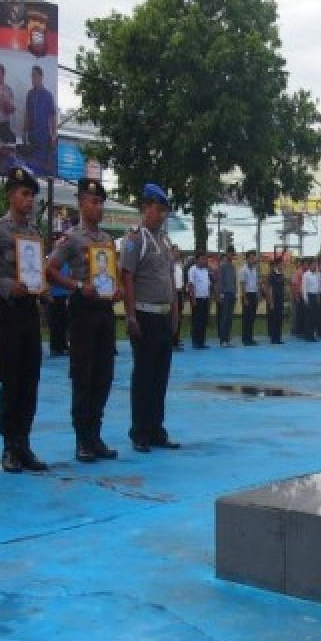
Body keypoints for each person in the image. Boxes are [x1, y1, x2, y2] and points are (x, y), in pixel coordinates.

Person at [0, 166, 48, 473]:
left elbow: (38, 268)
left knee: (30, 378)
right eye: (24, 194)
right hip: (8, 310)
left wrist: (40, 288)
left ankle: (24, 443)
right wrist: (4, 286)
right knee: (11, 379)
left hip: (30, 310)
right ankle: (9, 446)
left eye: (32, 195)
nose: (29, 200)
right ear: (10, 195)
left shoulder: (34, 234)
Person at [45, 178, 121, 462]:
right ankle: (82, 439)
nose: (98, 207)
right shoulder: (71, 238)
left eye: (101, 202)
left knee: (104, 375)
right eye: (93, 202)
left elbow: (111, 275)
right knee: (83, 375)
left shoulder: (106, 240)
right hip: (82, 310)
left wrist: (118, 291)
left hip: (104, 310)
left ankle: (95, 434)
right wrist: (77, 286)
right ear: (81, 203)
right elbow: (49, 269)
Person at [121, 183, 181, 453]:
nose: (162, 215)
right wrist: (130, 314)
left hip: (163, 315)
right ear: (146, 208)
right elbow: (127, 277)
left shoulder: (164, 242)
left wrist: (176, 312)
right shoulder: (136, 240)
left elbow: (170, 279)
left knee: (160, 376)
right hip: (144, 314)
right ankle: (140, 431)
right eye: (158, 210)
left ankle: (157, 428)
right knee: (144, 376)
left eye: (165, 211)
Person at [23, 65, 56, 171]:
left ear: (41, 77)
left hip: (43, 137)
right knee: (30, 165)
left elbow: (52, 117)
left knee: (42, 166)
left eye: (35, 75)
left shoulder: (48, 96)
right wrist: (24, 130)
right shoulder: (30, 94)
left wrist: (54, 135)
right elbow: (27, 113)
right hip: (31, 135)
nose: (33, 78)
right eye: (31, 76)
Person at [47, 230, 70, 356]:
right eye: (57, 240)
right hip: (54, 295)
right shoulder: (49, 258)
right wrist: (48, 293)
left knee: (64, 321)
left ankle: (63, 345)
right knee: (55, 322)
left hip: (65, 294)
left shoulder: (65, 259)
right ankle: (55, 347)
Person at [187, 250, 211, 349]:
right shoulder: (192, 270)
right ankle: (195, 342)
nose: (204, 260)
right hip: (197, 299)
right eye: (202, 259)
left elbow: (208, 284)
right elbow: (191, 285)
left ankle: (201, 341)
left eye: (205, 259)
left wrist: (209, 296)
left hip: (205, 298)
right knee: (197, 321)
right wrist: (193, 299)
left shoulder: (205, 270)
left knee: (204, 321)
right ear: (197, 259)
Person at [216, 247, 237, 347]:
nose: (232, 256)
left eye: (233, 254)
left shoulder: (233, 266)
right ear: (227, 254)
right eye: (230, 254)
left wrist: (235, 292)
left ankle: (227, 339)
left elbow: (234, 281)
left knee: (229, 318)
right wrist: (220, 295)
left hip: (232, 294)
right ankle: (222, 340)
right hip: (225, 295)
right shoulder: (222, 266)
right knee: (224, 318)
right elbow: (220, 281)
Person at [239, 250, 259, 345]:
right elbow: (242, 285)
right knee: (246, 318)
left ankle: (250, 338)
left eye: (254, 257)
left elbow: (256, 283)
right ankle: (245, 339)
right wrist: (245, 298)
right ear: (247, 259)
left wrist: (257, 294)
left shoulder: (255, 269)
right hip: (247, 295)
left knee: (252, 318)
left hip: (253, 294)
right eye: (251, 258)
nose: (253, 259)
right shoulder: (243, 270)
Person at [266, 256, 285, 344]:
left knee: (279, 319)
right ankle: (273, 338)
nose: (283, 265)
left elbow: (282, 288)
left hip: (280, 300)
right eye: (281, 263)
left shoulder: (281, 274)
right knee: (274, 319)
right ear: (277, 264)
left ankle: (278, 338)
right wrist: (271, 301)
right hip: (274, 300)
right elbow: (269, 288)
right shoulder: (271, 275)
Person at [301, 259, 320, 341]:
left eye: (315, 264)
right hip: (309, 296)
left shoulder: (317, 274)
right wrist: (306, 299)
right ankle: (307, 335)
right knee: (308, 317)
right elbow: (304, 288)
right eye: (313, 264)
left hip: (315, 296)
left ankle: (312, 335)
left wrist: (318, 297)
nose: (315, 266)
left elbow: (318, 287)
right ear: (310, 265)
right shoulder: (306, 275)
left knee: (314, 317)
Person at [171, 245, 185, 351]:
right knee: (173, 317)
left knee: (179, 317)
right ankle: (172, 341)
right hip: (172, 293)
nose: (178, 253)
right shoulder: (169, 265)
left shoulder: (179, 265)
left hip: (180, 293)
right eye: (176, 251)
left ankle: (176, 339)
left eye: (178, 251)